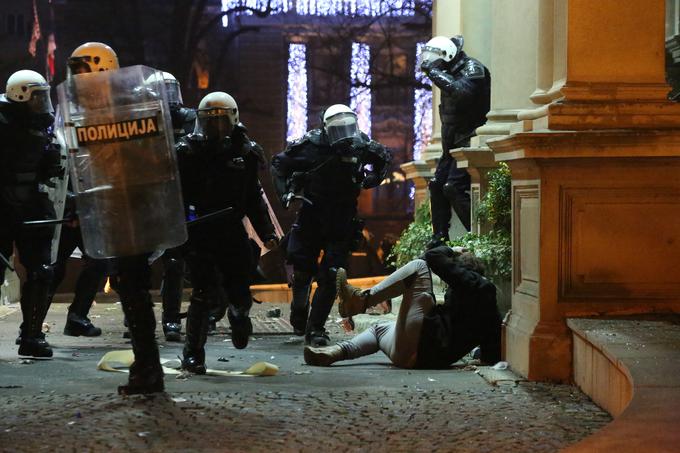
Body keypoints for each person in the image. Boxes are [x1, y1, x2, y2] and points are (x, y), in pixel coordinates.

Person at [59, 42, 187, 394]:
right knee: (129, 288)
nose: (75, 77)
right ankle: (146, 367)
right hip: (113, 209)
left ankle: (147, 370)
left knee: (132, 288)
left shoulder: (129, 104)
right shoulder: (90, 108)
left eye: (81, 69)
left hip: (135, 208)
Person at [271, 104, 392, 346]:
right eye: (339, 130)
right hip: (312, 215)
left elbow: (383, 157)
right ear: (326, 129)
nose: (344, 135)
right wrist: (284, 194)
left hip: (342, 219)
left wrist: (373, 177)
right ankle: (299, 307)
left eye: (349, 128)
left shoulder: (361, 143)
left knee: (332, 275)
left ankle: (316, 329)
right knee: (302, 270)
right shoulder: (310, 146)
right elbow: (278, 165)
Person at [176, 91, 278, 374]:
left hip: (231, 231)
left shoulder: (245, 154)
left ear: (233, 119)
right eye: (210, 121)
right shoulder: (186, 152)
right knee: (202, 293)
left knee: (239, 290)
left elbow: (253, 198)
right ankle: (193, 354)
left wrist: (266, 231)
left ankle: (238, 315)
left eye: (221, 121)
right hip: (199, 231)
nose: (216, 127)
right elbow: (174, 196)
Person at [303, 246, 501, 368]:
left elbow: (431, 256)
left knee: (419, 266)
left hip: (424, 344)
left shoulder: (473, 283)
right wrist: (485, 358)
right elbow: (492, 339)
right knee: (379, 328)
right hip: (415, 359)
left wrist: (452, 251)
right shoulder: (488, 302)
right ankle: (332, 353)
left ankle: (362, 300)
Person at [0, 69, 62, 358]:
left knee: (42, 271)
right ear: (21, 95)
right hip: (2, 202)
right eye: (36, 97)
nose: (42, 104)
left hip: (32, 201)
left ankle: (32, 335)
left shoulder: (43, 125)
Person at [421, 35, 491, 247]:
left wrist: (434, 72)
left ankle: (479, 235)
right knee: (436, 185)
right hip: (451, 144)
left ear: (448, 56)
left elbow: (462, 93)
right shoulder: (448, 71)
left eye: (438, 63)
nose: (436, 67)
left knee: (453, 186)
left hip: (470, 140)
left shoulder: (472, 68)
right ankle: (439, 238)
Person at [157, 71, 196, 342]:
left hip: (184, 196)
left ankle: (175, 318)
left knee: (177, 261)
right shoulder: (147, 117)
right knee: (136, 263)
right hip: (153, 196)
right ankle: (135, 313)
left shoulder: (191, 118)